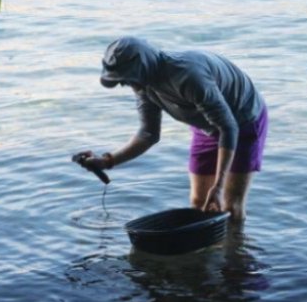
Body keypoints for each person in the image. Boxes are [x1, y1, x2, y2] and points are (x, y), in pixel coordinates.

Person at [78, 36, 268, 221]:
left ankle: (235, 252)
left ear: (143, 67)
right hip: (205, 127)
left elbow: (229, 127)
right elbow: (148, 134)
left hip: (242, 121)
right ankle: (209, 251)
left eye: (128, 78)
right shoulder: (144, 86)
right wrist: (107, 161)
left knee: (230, 206)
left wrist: (218, 186)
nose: (126, 84)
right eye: (122, 81)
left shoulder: (189, 76)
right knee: (199, 203)